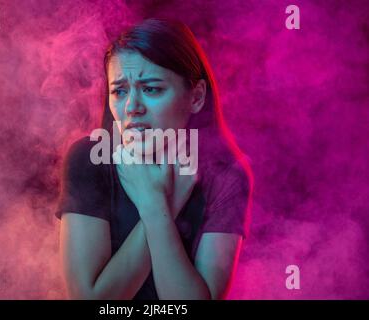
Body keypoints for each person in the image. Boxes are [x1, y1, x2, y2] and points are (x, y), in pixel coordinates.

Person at [55, 18, 253, 300]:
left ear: (195, 97)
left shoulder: (226, 176)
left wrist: (153, 208)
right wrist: (163, 203)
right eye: (120, 91)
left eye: (151, 89)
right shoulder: (89, 160)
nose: (131, 108)